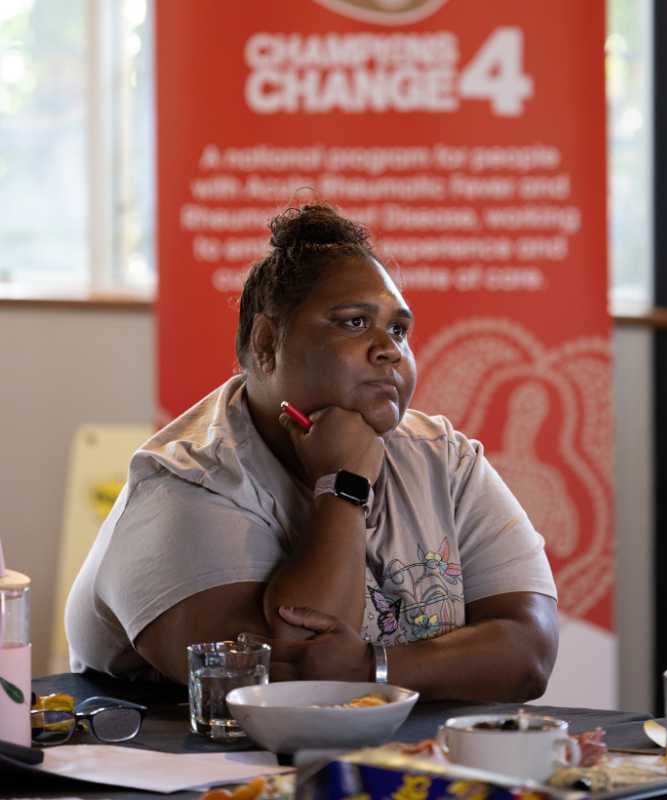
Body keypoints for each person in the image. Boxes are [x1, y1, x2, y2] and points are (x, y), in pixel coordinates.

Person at [65, 203, 559, 702]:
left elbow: (530, 651)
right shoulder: (185, 483)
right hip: (192, 773)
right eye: (353, 323)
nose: (388, 348)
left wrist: (373, 668)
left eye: (398, 330)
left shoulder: (444, 458)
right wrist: (343, 483)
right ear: (265, 342)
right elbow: (289, 684)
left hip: (397, 767)